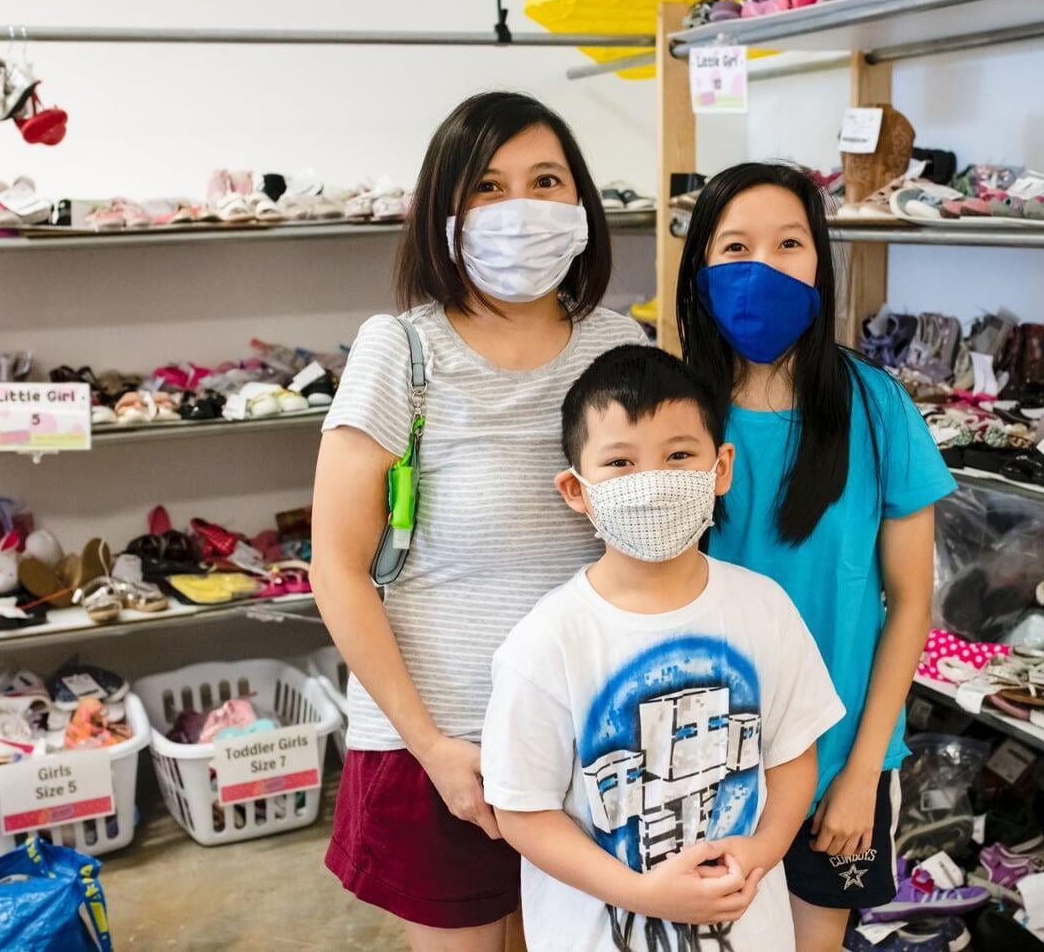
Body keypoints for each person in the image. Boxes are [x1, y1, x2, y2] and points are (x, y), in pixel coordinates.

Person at [311, 91, 645, 952]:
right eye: (488, 188)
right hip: (441, 743)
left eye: (545, 180)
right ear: (445, 212)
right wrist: (431, 746)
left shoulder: (623, 351)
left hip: (584, 739)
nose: (521, 207)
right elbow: (338, 568)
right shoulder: (402, 351)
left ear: (580, 206)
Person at [675, 162, 956, 950]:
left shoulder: (878, 408)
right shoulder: (672, 414)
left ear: (820, 263)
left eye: (789, 243)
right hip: (698, 766)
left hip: (839, 764)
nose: (761, 267)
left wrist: (864, 771)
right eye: (735, 246)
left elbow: (909, 601)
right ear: (698, 268)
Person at [482, 344, 844, 952]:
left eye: (679, 455)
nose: (652, 483)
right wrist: (644, 894)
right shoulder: (546, 643)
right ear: (577, 489)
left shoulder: (766, 609)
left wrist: (764, 849)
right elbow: (523, 812)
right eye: (620, 463)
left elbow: (791, 753)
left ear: (720, 468)